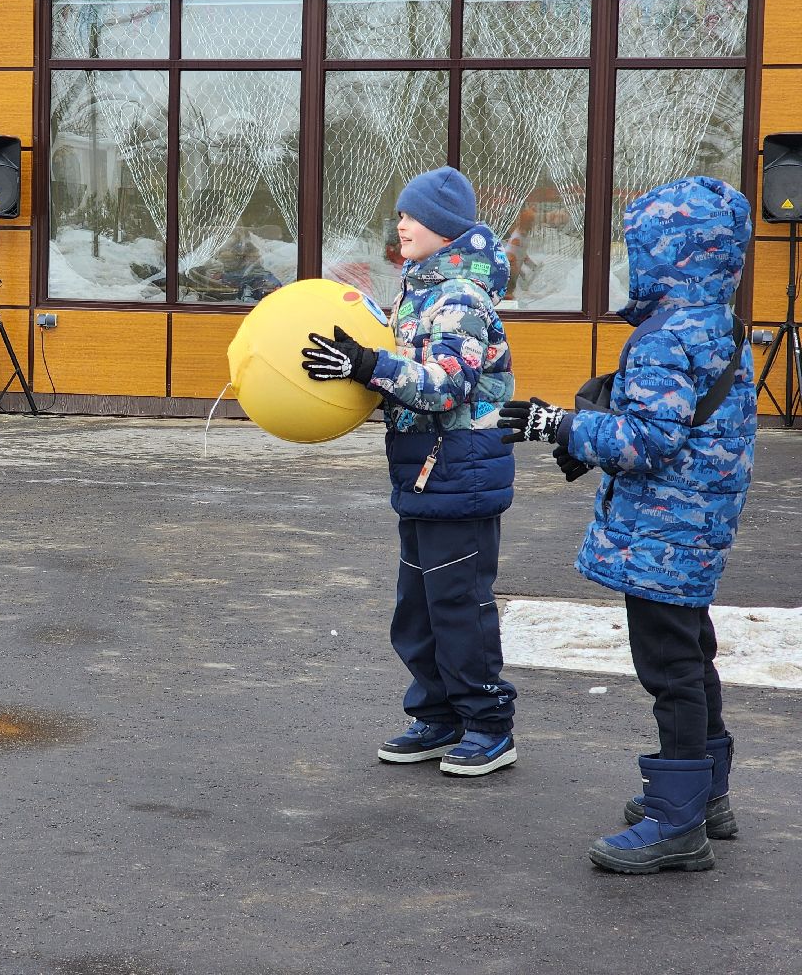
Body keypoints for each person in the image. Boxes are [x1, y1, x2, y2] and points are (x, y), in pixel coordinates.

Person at [499, 175, 755, 874]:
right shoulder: (721, 326)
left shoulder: (662, 338)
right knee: (692, 656)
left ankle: (678, 824)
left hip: (661, 534)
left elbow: (646, 441)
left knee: (669, 669)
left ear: (668, 254)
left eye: (638, 249)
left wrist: (557, 423)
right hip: (698, 527)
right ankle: (706, 797)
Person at [301, 166, 518, 777]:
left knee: (459, 607)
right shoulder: (417, 294)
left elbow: (447, 386)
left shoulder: (460, 299)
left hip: (462, 473)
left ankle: (488, 724)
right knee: (418, 608)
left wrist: (370, 364)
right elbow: (400, 374)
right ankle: (439, 714)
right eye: (399, 214)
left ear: (445, 230)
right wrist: (358, 366)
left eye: (412, 216)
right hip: (422, 474)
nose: (400, 224)